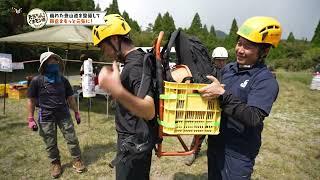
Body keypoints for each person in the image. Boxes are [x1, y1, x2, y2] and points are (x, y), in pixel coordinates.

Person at [199, 16, 282, 179]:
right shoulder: (229, 69)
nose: (240, 50)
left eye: (248, 46)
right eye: (239, 43)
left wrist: (223, 95)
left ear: (264, 51)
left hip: (239, 151)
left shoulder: (265, 80)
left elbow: (253, 117)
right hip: (216, 143)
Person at [92, 14, 156, 180]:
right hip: (132, 141)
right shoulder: (134, 61)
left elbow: (149, 110)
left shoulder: (135, 65)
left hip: (134, 145)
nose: (103, 52)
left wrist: (118, 91)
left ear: (114, 39)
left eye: (102, 46)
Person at [27, 51, 86, 178]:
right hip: (46, 116)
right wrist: (30, 118)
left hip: (64, 114)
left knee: (72, 139)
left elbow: (70, 97)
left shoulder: (63, 81)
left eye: (55, 60)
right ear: (44, 64)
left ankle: (77, 159)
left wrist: (76, 112)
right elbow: (31, 100)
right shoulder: (37, 81)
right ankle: (55, 163)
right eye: (51, 61)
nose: (54, 63)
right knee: (50, 142)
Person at [185, 46, 229, 166]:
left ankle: (216, 153)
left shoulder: (229, 72)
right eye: (218, 59)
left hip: (223, 108)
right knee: (200, 132)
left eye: (223, 60)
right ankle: (192, 153)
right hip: (208, 107)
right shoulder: (209, 72)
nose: (221, 62)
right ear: (213, 60)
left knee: (219, 134)